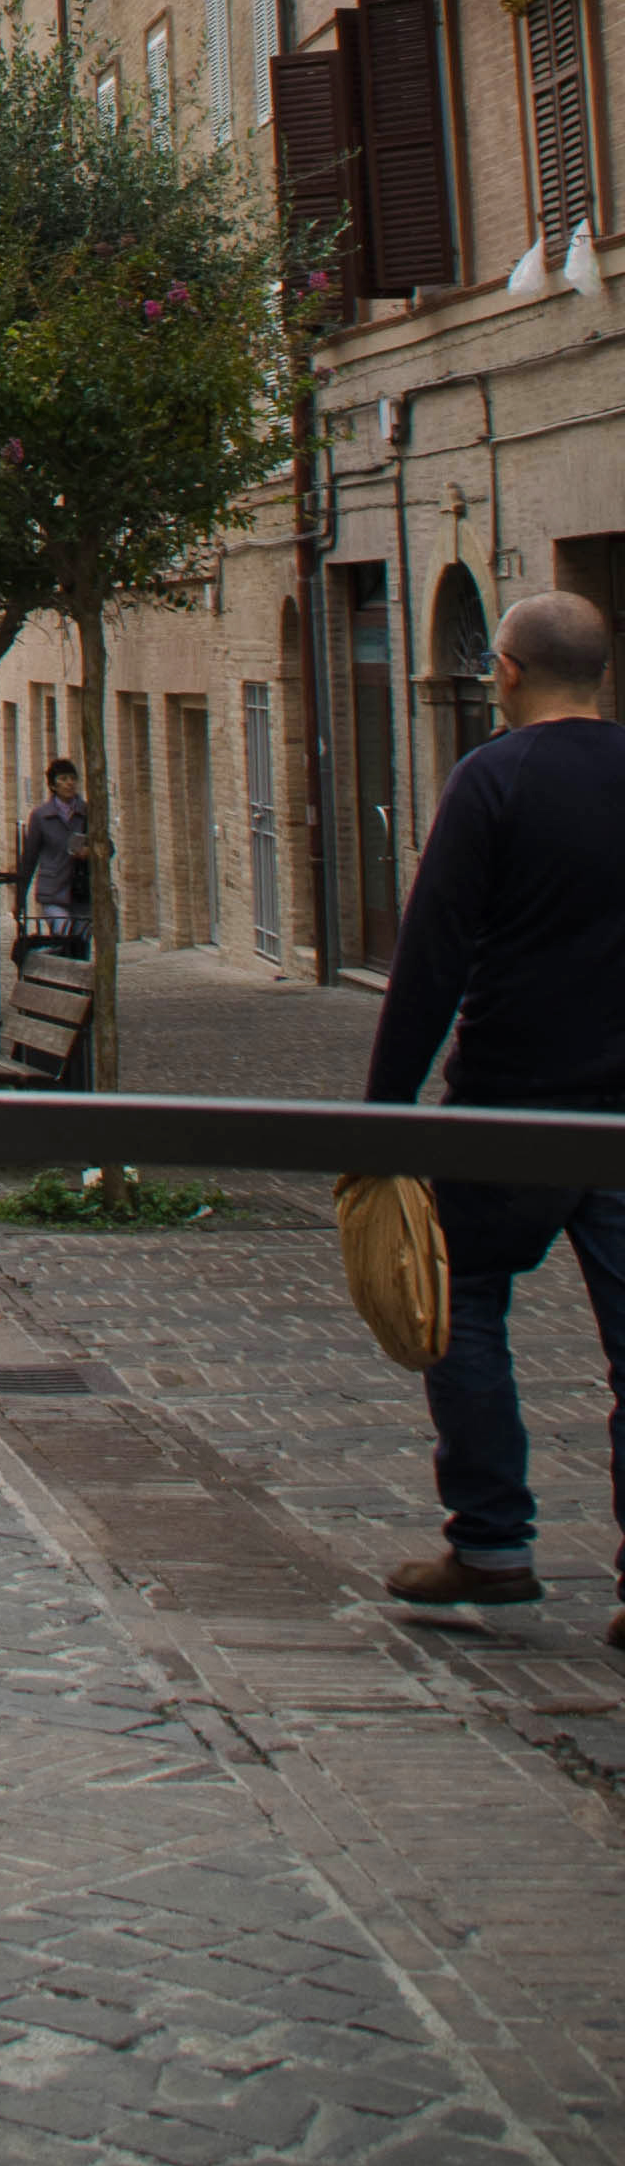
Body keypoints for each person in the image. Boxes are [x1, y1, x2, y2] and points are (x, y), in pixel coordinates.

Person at [367, 587, 625, 1640]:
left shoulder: (491, 778)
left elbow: (431, 958)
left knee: (462, 1299)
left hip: (507, 1110)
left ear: (507, 670)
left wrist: (381, 1116)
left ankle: (492, 1543)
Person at [15, 758, 90, 952]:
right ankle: (58, 975)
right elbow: (29, 858)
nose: (69, 783)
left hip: (81, 891)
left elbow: (108, 846)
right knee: (63, 938)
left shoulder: (88, 812)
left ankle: (75, 981)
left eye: (73, 778)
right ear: (53, 785)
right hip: (54, 891)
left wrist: (93, 852)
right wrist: (19, 897)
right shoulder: (41, 816)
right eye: (63, 779)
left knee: (81, 945)